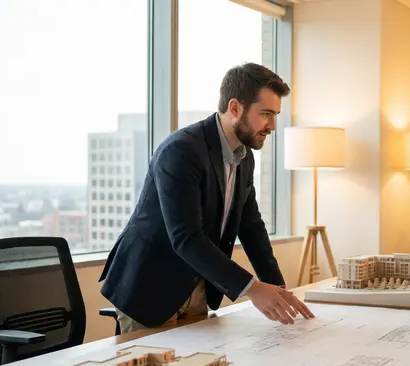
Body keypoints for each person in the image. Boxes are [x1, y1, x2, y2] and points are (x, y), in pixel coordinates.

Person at [99, 62, 314, 334]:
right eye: (266, 114)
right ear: (235, 108)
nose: (272, 125)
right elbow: (186, 237)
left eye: (275, 115)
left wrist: (278, 290)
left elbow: (251, 228)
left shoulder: (244, 158)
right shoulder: (182, 150)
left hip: (196, 285)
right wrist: (254, 289)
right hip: (150, 286)